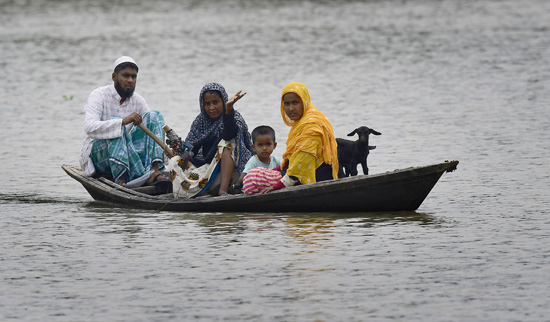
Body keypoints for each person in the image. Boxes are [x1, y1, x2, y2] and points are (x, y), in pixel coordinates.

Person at [79, 56, 168, 188]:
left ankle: (155, 170)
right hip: (98, 157)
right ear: (114, 77)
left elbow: (151, 132)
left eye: (134, 76)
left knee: (154, 116)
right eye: (126, 76)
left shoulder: (138, 100)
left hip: (125, 152)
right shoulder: (98, 95)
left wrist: (171, 150)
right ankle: (120, 179)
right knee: (117, 126)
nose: (130, 80)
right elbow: (89, 128)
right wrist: (122, 122)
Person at [167, 82, 254, 197]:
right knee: (175, 161)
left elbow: (229, 135)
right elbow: (191, 150)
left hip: (233, 173)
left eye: (215, 102)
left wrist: (229, 110)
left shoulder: (235, 117)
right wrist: (180, 148)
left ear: (223, 101)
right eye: (207, 104)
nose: (211, 108)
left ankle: (222, 191)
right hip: (208, 169)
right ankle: (189, 192)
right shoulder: (200, 121)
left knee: (227, 144)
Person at [259, 82, 339, 194]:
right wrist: (272, 172)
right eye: (286, 104)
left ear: (304, 102)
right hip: (299, 173)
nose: (291, 108)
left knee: (255, 179)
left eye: (295, 103)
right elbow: (293, 160)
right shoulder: (300, 123)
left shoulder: (312, 125)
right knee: (256, 175)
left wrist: (278, 186)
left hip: (317, 177)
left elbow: (301, 164)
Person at [239, 125, 281, 194]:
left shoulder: (275, 160)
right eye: (260, 145)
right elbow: (242, 179)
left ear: (274, 145)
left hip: (271, 190)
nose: (264, 148)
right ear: (253, 147)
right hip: (256, 192)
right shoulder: (253, 161)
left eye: (268, 144)